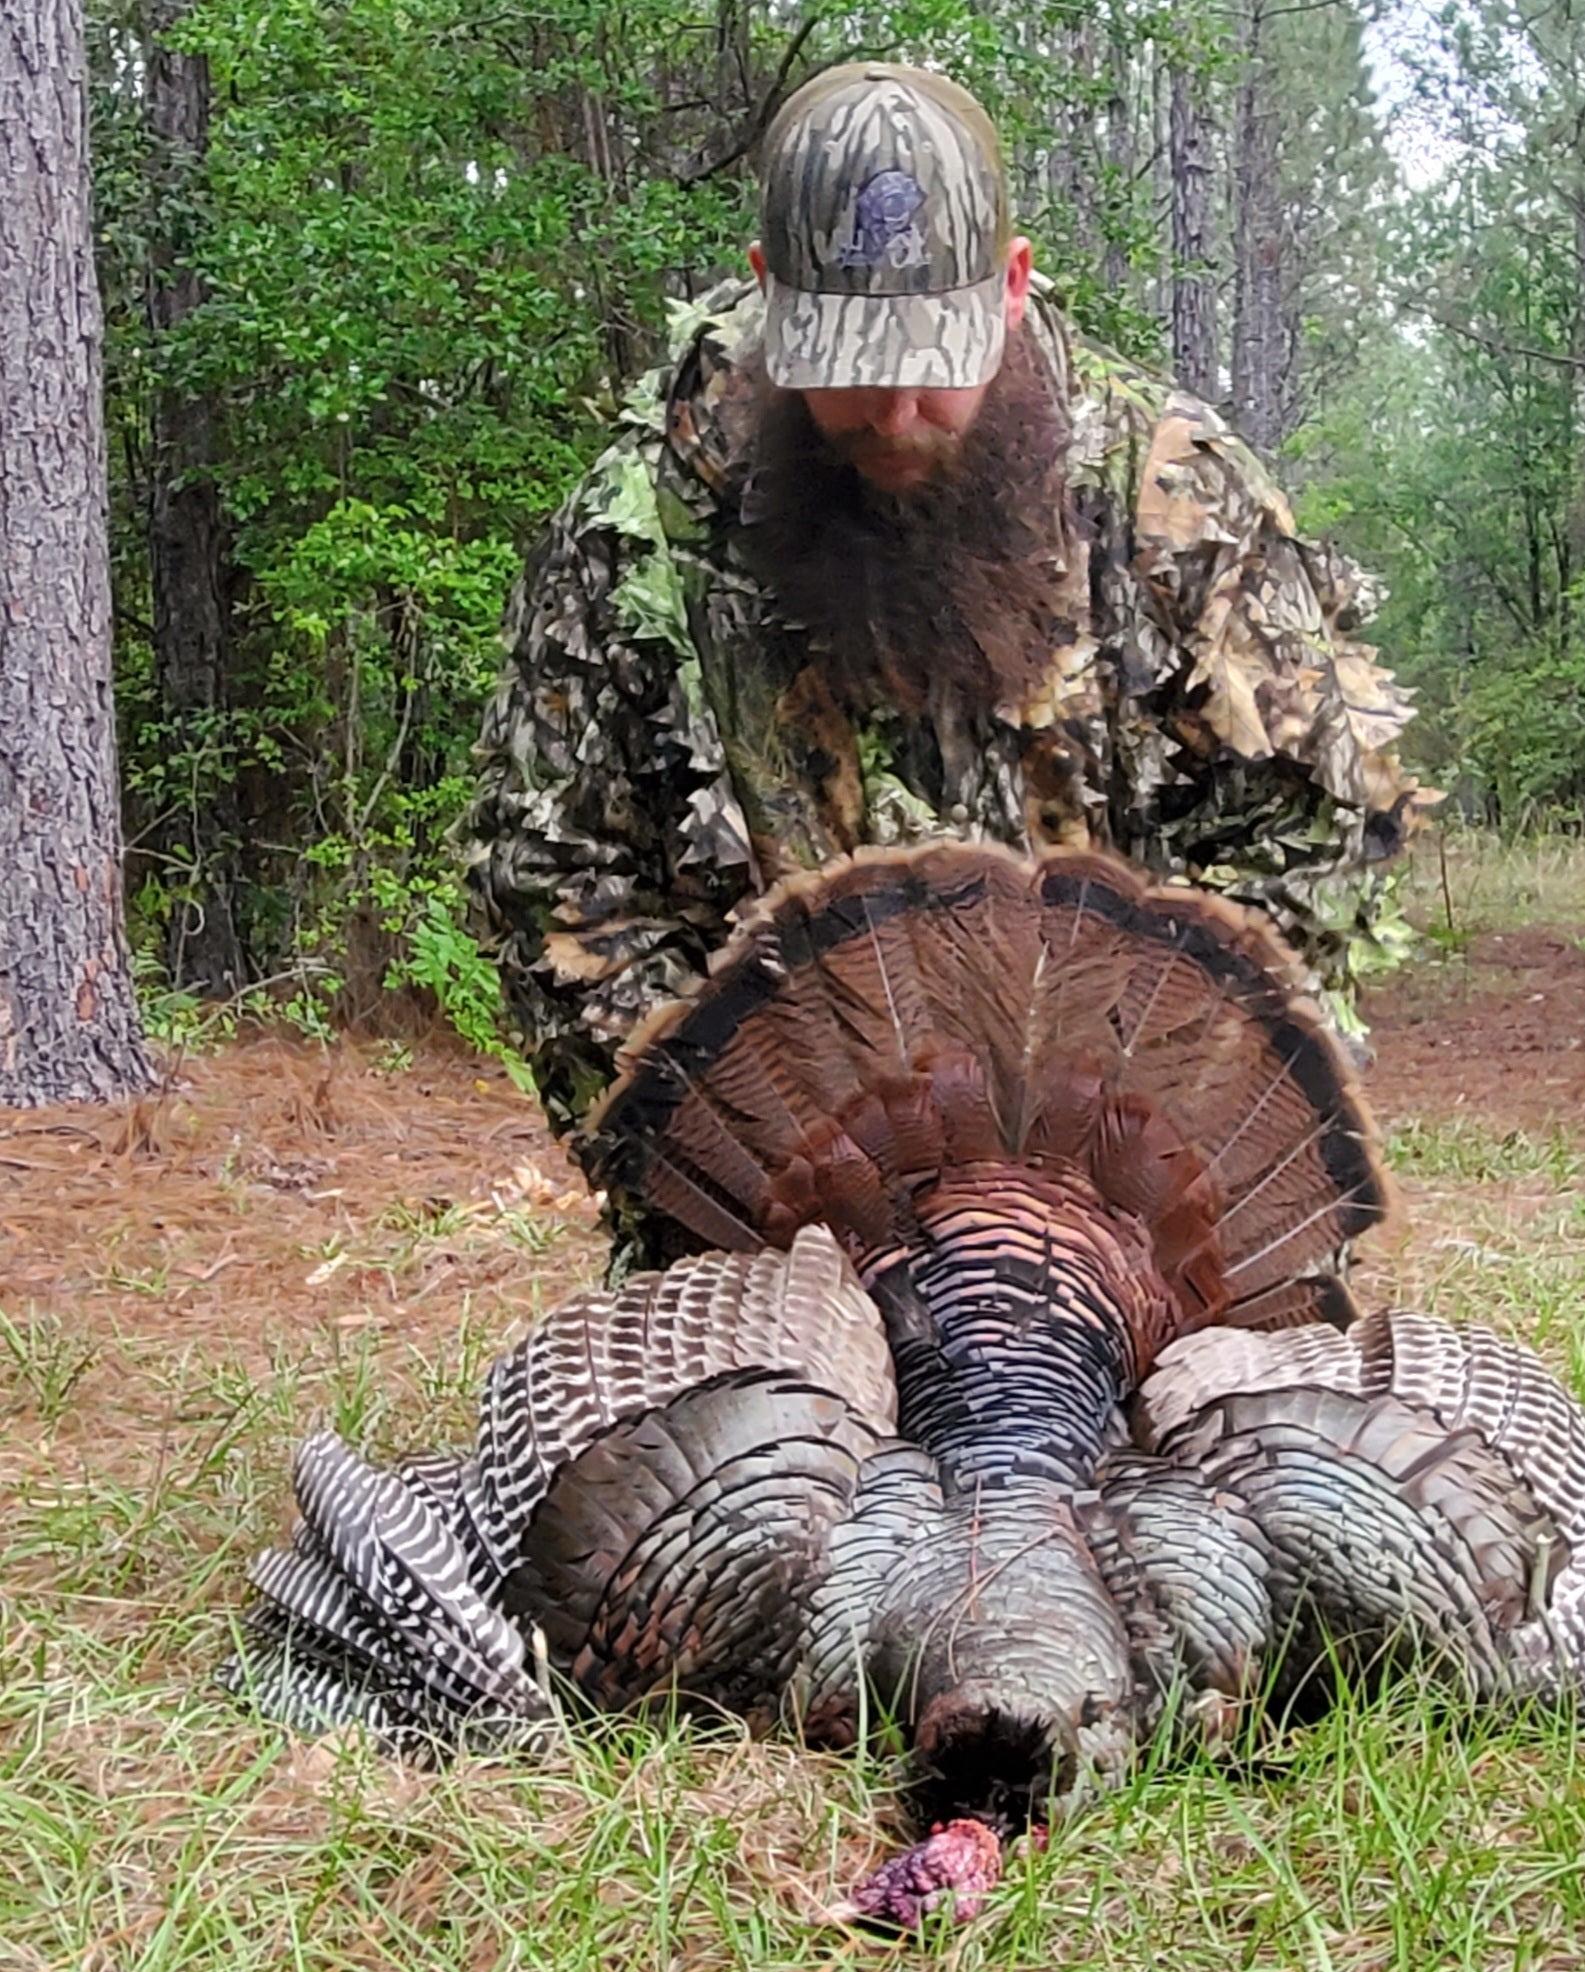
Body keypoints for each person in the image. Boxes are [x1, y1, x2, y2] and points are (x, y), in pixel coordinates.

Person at [467, 60, 1420, 1265]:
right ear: (769, 300)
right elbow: (551, 874)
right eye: (851, 362)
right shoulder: (643, 524)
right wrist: (745, 1143)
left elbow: (1315, 831)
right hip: (779, 1240)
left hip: (1133, 1220)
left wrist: (1147, 1103)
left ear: (1011, 288)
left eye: (935, 353)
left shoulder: (1173, 496)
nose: (899, 408)